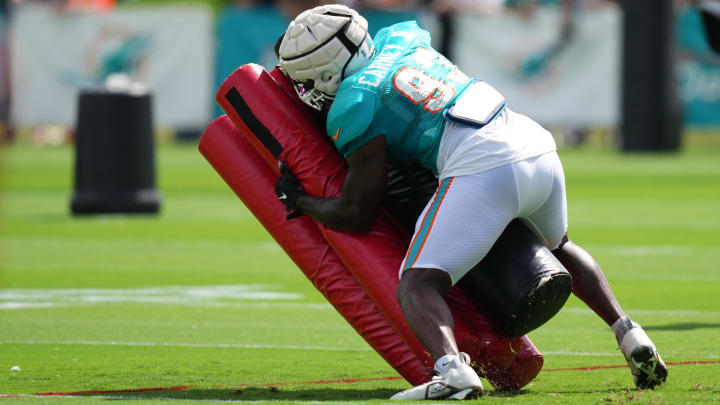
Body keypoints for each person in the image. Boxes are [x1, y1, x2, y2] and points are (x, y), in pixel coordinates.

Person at [273, 4, 667, 400]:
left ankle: (452, 372)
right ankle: (629, 332)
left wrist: (301, 201)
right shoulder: (403, 37)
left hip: (482, 166)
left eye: (307, 80)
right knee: (560, 247)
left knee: (417, 285)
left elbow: (357, 213)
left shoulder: (354, 102)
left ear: (325, 72)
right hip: (535, 144)